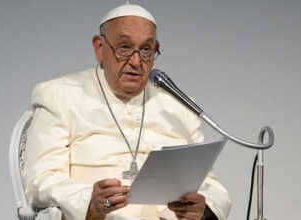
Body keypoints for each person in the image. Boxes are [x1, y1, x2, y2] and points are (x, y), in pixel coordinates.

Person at [24, 4, 231, 220]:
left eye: (145, 50)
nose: (135, 61)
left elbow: (210, 184)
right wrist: (89, 201)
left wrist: (203, 210)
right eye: (124, 48)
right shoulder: (59, 95)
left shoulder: (178, 106)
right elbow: (41, 179)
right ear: (99, 47)